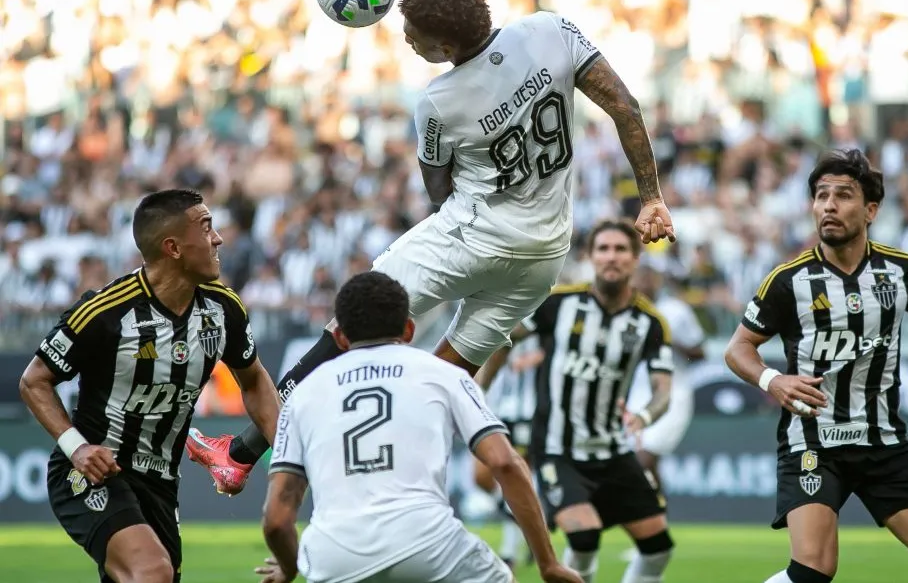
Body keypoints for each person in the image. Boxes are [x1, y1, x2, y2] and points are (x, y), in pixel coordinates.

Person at [187, 0, 675, 495]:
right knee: (442, 376)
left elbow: (438, 189)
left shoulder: (439, 101)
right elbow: (625, 105)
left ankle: (245, 455)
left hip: (472, 234)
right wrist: (650, 197)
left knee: (352, 322)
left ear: (443, 46)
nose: (406, 40)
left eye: (412, 34)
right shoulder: (550, 30)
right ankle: (384, 482)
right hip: (545, 255)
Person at [723, 149, 908, 583]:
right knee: (813, 572)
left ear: (870, 210)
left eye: (843, 195)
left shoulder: (902, 272)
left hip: (882, 440)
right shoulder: (788, 280)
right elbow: (738, 348)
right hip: (813, 442)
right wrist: (773, 380)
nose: (828, 206)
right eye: (821, 195)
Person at [18, 189, 281, 583]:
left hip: (161, 483)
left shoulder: (223, 308)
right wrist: (77, 448)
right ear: (172, 247)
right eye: (206, 227)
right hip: (95, 472)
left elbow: (255, 381)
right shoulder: (105, 311)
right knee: (150, 571)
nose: (218, 238)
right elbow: (34, 380)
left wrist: (289, 457)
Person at [255, 271, 583, 583]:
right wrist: (548, 562)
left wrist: (288, 567)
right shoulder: (442, 375)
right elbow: (505, 464)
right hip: (426, 540)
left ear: (339, 337)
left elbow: (276, 519)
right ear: (409, 330)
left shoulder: (305, 394)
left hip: (332, 553)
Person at [520, 219, 677, 583]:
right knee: (584, 536)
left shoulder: (650, 323)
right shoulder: (558, 304)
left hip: (612, 450)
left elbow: (663, 391)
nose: (611, 257)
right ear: (590, 257)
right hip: (559, 450)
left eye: (621, 249)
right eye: (603, 249)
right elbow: (501, 337)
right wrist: (478, 392)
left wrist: (644, 416)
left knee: (659, 549)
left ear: (636, 259)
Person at [625, 265, 705, 485]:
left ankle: (650, 513)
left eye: (649, 278)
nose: (644, 283)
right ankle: (657, 515)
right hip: (637, 394)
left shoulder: (675, 311)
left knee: (642, 460)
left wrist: (667, 339)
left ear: (658, 281)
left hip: (671, 393)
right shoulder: (626, 310)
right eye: (639, 278)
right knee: (642, 464)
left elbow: (699, 352)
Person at [472, 337, 540, 574]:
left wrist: (536, 357)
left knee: (516, 475)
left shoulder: (540, 311)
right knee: (481, 477)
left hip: (526, 409)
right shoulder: (491, 313)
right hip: (494, 406)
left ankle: (509, 552)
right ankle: (532, 520)